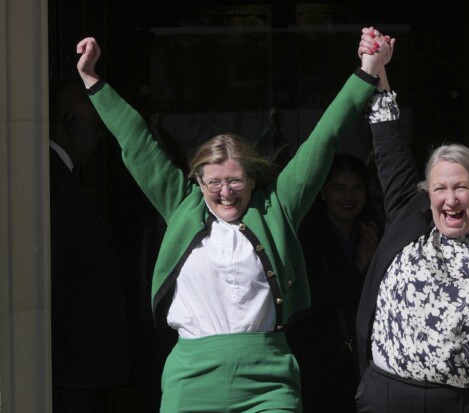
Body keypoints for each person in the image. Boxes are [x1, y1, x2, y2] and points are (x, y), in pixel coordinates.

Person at [75, 33, 391, 413]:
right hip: (191, 378)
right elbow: (137, 142)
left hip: (268, 379)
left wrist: (366, 72)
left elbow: (323, 140)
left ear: (253, 179)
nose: (225, 192)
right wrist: (92, 80)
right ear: (198, 182)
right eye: (214, 182)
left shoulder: (277, 207)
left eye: (236, 180)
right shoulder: (182, 206)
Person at [354, 28, 469, 413]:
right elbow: (389, 145)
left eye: (461, 187)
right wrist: (377, 68)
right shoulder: (408, 218)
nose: (450, 199)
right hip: (387, 398)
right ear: (428, 194)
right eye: (440, 189)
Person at [49, 80, 131, 412]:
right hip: (69, 365)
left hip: (75, 364)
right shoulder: (53, 181)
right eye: (96, 126)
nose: (100, 137)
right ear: (71, 123)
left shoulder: (59, 177)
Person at [286, 153, 382, 413]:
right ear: (323, 192)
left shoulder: (376, 231)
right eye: (339, 188)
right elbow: (311, 298)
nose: (349, 197)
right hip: (321, 359)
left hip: (367, 357)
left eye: (357, 188)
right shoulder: (306, 236)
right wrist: (358, 270)